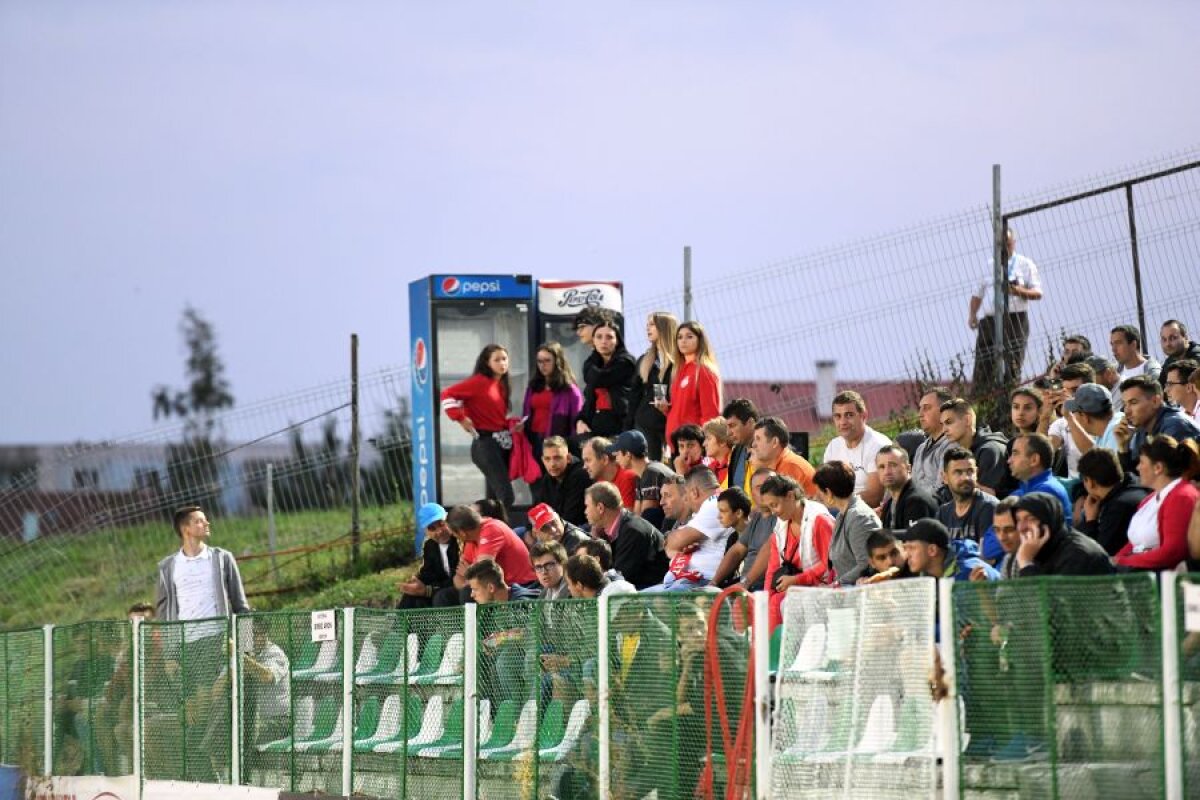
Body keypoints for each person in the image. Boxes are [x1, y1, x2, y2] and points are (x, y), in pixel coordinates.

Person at [440, 344, 518, 510]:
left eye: (504, 359)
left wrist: (512, 425)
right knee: (506, 496)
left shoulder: (500, 384)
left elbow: (494, 416)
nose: (502, 363)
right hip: (485, 445)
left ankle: (485, 528)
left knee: (494, 499)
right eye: (497, 360)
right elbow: (447, 394)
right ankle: (493, 530)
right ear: (487, 362)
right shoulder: (479, 382)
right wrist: (460, 418)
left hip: (499, 443)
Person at [968, 226, 1043, 387]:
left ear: (1014, 243)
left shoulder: (1025, 264)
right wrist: (973, 314)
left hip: (1015, 319)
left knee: (1013, 362)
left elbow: (1037, 293)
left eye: (1008, 243)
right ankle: (982, 397)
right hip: (990, 320)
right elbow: (977, 293)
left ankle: (1011, 397)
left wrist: (1017, 290)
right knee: (983, 363)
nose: (1005, 247)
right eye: (1001, 244)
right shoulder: (990, 265)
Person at [759, 474, 836, 629]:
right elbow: (772, 569)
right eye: (769, 507)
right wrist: (765, 599)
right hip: (796, 587)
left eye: (775, 505)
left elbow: (830, 564)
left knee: (781, 603)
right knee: (769, 603)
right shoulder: (780, 527)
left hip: (823, 587)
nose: (773, 512)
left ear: (790, 496)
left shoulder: (820, 521)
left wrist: (797, 580)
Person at [1114, 436, 1200, 571]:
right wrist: (1115, 561)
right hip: (1136, 572)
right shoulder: (1150, 499)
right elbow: (1134, 543)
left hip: (1160, 579)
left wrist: (1124, 562)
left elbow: (1173, 552)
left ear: (1158, 467)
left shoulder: (1182, 496)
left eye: (1142, 462)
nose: (1137, 468)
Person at [155, 505, 250, 622]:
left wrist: (246, 638)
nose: (207, 523)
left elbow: (240, 604)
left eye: (206, 520)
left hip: (221, 636)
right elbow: (163, 611)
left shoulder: (223, 558)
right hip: (184, 639)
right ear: (186, 529)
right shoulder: (167, 567)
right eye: (199, 521)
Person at [648, 467, 731, 592]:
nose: (686, 499)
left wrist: (675, 542)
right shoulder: (706, 507)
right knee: (630, 600)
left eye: (686, 494)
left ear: (694, 493)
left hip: (698, 582)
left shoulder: (715, 504)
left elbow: (675, 541)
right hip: (685, 580)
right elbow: (671, 545)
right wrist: (675, 544)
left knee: (636, 603)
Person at [583, 481, 669, 589]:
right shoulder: (614, 529)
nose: (585, 511)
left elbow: (620, 580)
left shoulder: (633, 531)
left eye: (587, 506)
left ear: (600, 508)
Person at [446, 505, 538, 600]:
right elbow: (458, 577)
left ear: (461, 533)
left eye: (454, 534)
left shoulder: (492, 529)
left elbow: (483, 571)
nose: (455, 537)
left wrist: (469, 579)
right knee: (444, 596)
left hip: (520, 585)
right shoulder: (471, 538)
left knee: (468, 592)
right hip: (491, 585)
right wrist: (469, 581)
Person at [1011, 492, 1113, 577]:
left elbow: (1049, 600)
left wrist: (1026, 564)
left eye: (1031, 519)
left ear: (1049, 520)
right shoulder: (1034, 550)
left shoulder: (1078, 554)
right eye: (1018, 520)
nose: (1021, 528)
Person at [813, 460, 880, 585]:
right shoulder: (842, 514)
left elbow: (865, 564)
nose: (817, 498)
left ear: (828, 492)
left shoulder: (859, 517)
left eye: (820, 493)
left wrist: (836, 584)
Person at [1115, 374, 1200, 471]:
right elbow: (1137, 476)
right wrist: (1123, 447)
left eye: (1133, 402)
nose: (1127, 411)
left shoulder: (1175, 426)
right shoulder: (1142, 428)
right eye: (1125, 404)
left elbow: (1161, 478)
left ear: (1155, 401)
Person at [1073, 448, 1149, 557]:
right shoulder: (1136, 485)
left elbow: (1098, 555)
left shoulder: (1118, 508)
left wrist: (1090, 521)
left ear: (1090, 482)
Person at [710, 469, 776, 591]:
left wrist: (745, 583)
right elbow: (737, 551)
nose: (765, 491)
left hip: (765, 589)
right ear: (751, 493)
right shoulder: (756, 518)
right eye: (759, 487)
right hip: (746, 587)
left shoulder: (782, 517)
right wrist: (713, 583)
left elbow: (770, 551)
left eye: (769, 486)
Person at [822, 390, 891, 507]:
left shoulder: (878, 445)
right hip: (840, 509)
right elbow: (823, 488)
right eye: (838, 416)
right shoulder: (833, 446)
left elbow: (875, 496)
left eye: (849, 415)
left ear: (863, 416)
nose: (843, 422)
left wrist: (840, 504)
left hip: (870, 513)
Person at [936, 446, 1001, 562]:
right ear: (945, 478)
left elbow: (987, 560)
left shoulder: (989, 507)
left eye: (970, 471)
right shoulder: (943, 512)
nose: (965, 477)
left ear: (977, 473)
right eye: (958, 472)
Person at [576, 318, 638, 439]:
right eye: (599, 337)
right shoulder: (592, 364)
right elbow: (589, 399)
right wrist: (580, 421)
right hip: (595, 429)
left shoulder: (625, 362)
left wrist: (591, 364)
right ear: (593, 341)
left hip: (620, 429)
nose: (603, 341)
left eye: (609, 337)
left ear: (617, 341)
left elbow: (599, 379)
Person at [664, 321, 722, 448]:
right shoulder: (678, 370)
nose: (683, 341)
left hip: (693, 447)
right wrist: (666, 410)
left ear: (700, 341)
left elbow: (710, 413)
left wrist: (701, 444)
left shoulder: (703, 370)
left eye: (689, 336)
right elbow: (683, 409)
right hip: (677, 444)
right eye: (679, 337)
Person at [629, 311, 678, 461]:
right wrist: (627, 428)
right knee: (651, 471)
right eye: (647, 325)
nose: (647, 329)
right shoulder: (644, 360)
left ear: (664, 327)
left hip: (672, 424)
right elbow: (634, 397)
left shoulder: (680, 360)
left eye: (652, 325)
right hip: (646, 424)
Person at [522, 342, 584, 453]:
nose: (542, 365)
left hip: (557, 442)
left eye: (547, 360)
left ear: (557, 361)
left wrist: (572, 447)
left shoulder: (570, 390)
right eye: (540, 361)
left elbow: (576, 421)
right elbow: (526, 414)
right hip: (532, 439)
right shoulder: (533, 386)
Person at [398, 503, 460, 609]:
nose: (439, 531)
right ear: (426, 531)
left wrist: (428, 590)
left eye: (441, 524)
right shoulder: (429, 545)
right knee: (410, 596)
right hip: (440, 587)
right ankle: (399, 625)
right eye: (432, 528)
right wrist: (416, 582)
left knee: (440, 597)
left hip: (459, 586)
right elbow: (428, 573)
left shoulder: (460, 540)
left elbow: (459, 577)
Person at [940, 398, 1009, 494]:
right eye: (942, 424)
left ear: (967, 420)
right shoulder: (965, 451)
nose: (944, 430)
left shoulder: (990, 451)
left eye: (949, 422)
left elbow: (985, 499)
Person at [608, 429, 674, 529]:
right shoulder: (642, 474)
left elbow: (646, 521)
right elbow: (636, 515)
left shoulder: (652, 472)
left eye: (618, 454)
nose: (616, 459)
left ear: (628, 454)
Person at [1041, 362, 1096, 479]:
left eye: (1075, 390)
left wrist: (1071, 415)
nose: (1070, 396)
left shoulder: (1105, 417)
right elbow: (1040, 455)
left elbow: (1095, 456)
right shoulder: (1061, 423)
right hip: (1075, 488)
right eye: (1065, 390)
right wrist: (1045, 416)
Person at [896, 518, 998, 581]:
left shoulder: (968, 572)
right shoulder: (929, 576)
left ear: (932, 550)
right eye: (905, 548)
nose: (907, 555)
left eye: (912, 548)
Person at [1007, 433, 1073, 518]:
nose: (1009, 461)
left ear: (1034, 460)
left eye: (1015, 453)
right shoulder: (1021, 491)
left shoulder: (1046, 492)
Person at [531, 436, 591, 526]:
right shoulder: (548, 478)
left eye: (557, 458)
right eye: (547, 459)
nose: (552, 464)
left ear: (568, 458)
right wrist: (530, 529)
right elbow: (536, 509)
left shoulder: (580, 475)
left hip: (577, 529)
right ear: (543, 460)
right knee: (519, 532)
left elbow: (571, 518)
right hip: (553, 528)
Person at [995, 387, 1043, 498]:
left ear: (1039, 411)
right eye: (1016, 407)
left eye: (1028, 408)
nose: (1020, 413)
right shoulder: (1012, 443)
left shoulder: (1051, 438)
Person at [751, 415, 817, 497]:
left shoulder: (790, 466)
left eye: (758, 439)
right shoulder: (781, 463)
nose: (753, 444)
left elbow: (780, 506)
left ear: (775, 442)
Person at [876, 444, 938, 529]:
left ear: (908, 468)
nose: (887, 472)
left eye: (893, 465)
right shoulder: (889, 505)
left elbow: (915, 540)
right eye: (881, 467)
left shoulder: (916, 501)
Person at [910, 386, 955, 498]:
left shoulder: (952, 445)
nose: (920, 414)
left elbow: (941, 490)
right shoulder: (920, 448)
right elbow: (913, 486)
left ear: (944, 411)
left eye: (926, 408)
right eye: (920, 408)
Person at [1110, 324, 1161, 406]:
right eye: (1112, 344)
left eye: (1118, 343)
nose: (1113, 349)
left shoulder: (1152, 373)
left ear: (1133, 345)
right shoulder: (1114, 374)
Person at [581, 436, 637, 510]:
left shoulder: (627, 477)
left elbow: (627, 518)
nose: (584, 467)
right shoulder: (600, 482)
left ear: (604, 459)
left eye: (588, 460)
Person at [722, 397, 760, 494]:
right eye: (727, 427)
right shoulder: (736, 452)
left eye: (732, 426)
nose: (728, 433)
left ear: (750, 423)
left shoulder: (768, 452)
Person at [986, 497, 1022, 579]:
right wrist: (982, 591)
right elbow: (1004, 592)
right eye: (997, 530)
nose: (1001, 538)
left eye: (1009, 530)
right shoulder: (1008, 560)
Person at [1159, 319, 1200, 389]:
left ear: (1186, 338)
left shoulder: (1197, 357)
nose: (1168, 344)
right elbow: (1160, 389)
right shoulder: (1169, 362)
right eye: (1164, 339)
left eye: (1173, 338)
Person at [701, 416, 735, 485]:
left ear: (722, 442)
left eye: (708, 438)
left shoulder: (736, 467)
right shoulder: (709, 468)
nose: (704, 444)